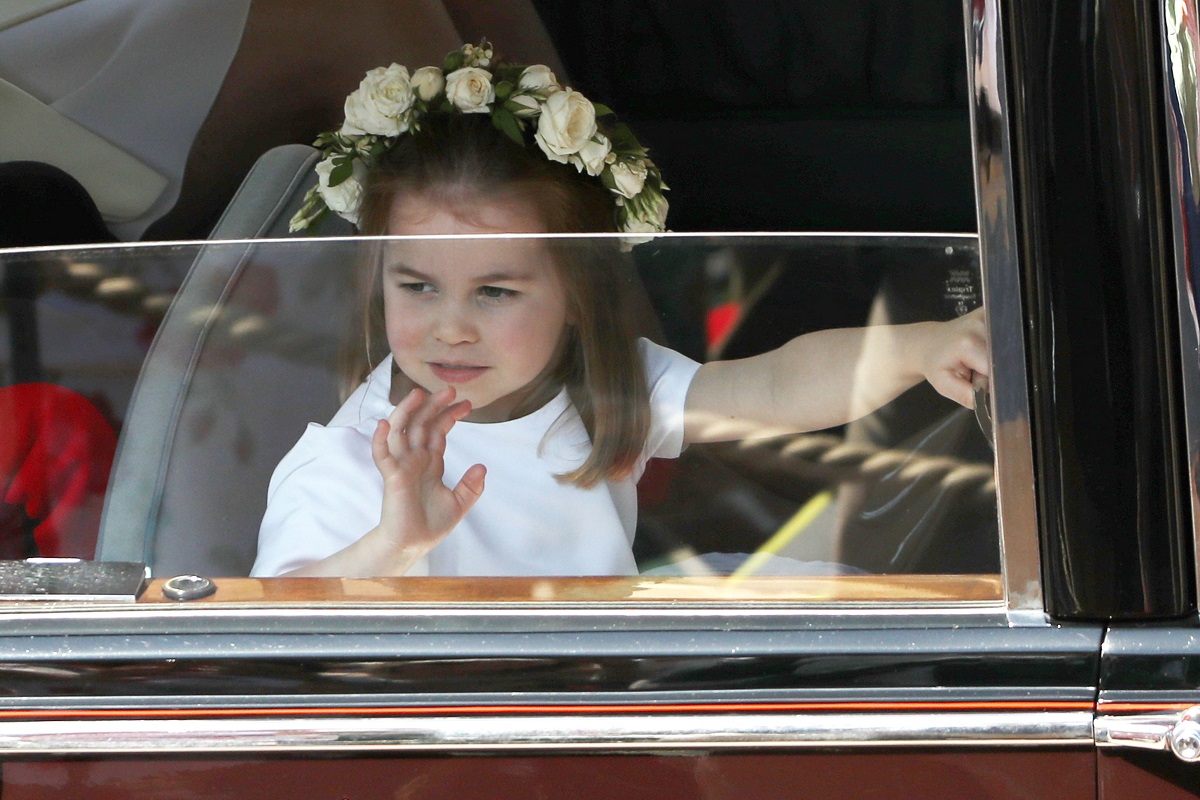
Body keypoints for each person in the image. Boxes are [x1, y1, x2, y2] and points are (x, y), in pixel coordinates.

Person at [251, 42, 989, 578]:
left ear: (576, 293)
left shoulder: (596, 385)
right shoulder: (349, 462)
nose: (451, 327)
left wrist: (920, 347)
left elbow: (772, 387)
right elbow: (273, 629)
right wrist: (393, 547)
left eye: (495, 292)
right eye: (418, 287)